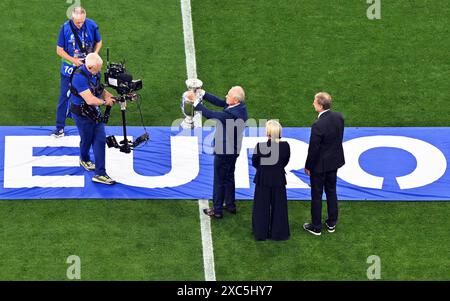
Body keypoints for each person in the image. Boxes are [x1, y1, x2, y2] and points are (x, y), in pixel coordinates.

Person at [186, 86, 248, 218]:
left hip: (224, 150)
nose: (226, 97)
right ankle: (230, 204)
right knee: (229, 176)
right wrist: (203, 94)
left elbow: (211, 114)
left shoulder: (230, 115)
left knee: (219, 180)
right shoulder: (241, 107)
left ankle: (217, 210)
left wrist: (195, 103)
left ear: (235, 100)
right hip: (235, 149)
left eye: (228, 95)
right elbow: (221, 102)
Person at [52, 6, 102, 138]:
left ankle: (94, 124)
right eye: (77, 22)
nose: (79, 24)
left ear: (85, 18)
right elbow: (59, 50)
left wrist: (93, 56)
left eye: (82, 22)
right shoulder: (65, 28)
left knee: (93, 93)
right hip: (69, 69)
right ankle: (59, 128)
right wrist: (73, 60)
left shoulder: (91, 25)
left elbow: (99, 41)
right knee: (64, 97)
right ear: (72, 18)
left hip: (88, 68)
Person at [69, 53, 116, 185]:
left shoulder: (94, 72)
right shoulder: (79, 77)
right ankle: (84, 158)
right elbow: (90, 100)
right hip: (81, 114)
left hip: (93, 112)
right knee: (86, 140)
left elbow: (99, 89)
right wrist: (104, 102)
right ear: (89, 67)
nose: (99, 71)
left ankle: (100, 173)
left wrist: (109, 96)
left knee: (100, 140)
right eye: (98, 69)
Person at [303, 92, 345, 236]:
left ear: (320, 106)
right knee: (331, 191)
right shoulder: (339, 117)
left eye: (314, 102)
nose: (312, 104)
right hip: (334, 163)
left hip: (319, 167)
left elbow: (313, 149)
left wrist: (308, 166)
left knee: (317, 195)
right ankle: (331, 222)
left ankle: (316, 226)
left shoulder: (318, 125)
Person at [251, 120, 290, 241]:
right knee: (279, 207)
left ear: (268, 133)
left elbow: (255, 162)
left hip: (263, 180)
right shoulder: (285, 146)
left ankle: (260, 233)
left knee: (261, 207)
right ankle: (279, 233)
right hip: (278, 179)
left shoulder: (260, 146)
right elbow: (285, 162)